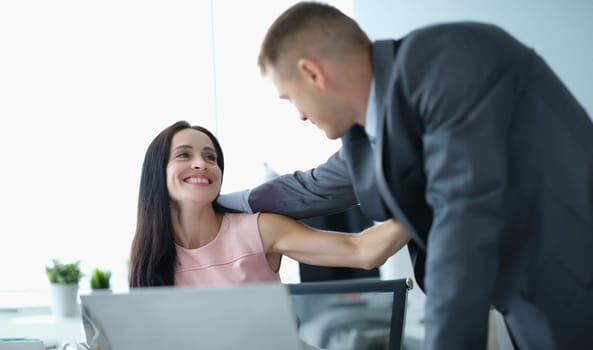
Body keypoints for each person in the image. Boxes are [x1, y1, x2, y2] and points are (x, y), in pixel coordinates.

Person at [216, 2, 593, 349]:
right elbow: (309, 190)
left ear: (312, 73)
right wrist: (217, 201)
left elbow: (462, 222)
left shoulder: (448, 60)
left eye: (289, 98)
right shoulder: (365, 135)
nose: (298, 114)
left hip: (574, 273)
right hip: (528, 300)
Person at [128, 120, 410, 289]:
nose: (201, 164)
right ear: (157, 172)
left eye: (211, 157)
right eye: (183, 155)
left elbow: (363, 251)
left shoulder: (259, 229)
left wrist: (431, 198)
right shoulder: (151, 253)